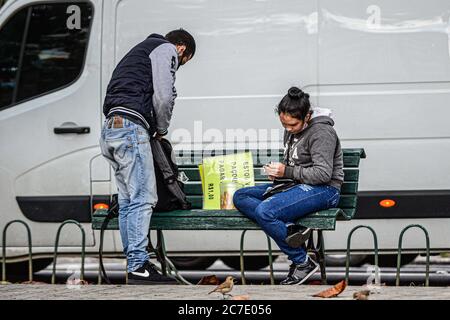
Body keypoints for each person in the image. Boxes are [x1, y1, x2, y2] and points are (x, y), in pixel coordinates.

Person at [99, 29, 196, 285]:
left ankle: (134, 263)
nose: (179, 66)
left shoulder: (139, 52)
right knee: (143, 197)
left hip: (111, 128)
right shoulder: (166, 49)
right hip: (131, 127)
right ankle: (139, 265)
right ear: (183, 49)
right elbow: (164, 96)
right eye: (184, 62)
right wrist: (161, 129)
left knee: (128, 199)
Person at [233, 86, 343, 285]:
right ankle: (290, 229)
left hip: (325, 190)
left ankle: (302, 262)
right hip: (296, 185)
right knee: (240, 196)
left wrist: (287, 172)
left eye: (292, 125)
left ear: (307, 116)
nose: (288, 129)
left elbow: (323, 174)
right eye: (284, 125)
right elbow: (293, 165)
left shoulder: (322, 133)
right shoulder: (291, 131)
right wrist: (278, 175)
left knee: (266, 212)